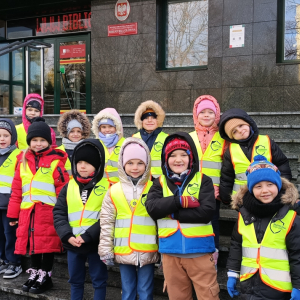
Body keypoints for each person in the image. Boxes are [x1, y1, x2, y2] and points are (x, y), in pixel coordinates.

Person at [146, 132, 220, 300]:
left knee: (208, 296)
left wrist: (171, 212)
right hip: (171, 253)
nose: (178, 159)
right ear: (166, 159)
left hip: (200, 251)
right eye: (172, 155)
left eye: (183, 155)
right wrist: (179, 201)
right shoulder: (159, 182)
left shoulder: (204, 180)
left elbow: (206, 212)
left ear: (191, 157)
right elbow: (152, 208)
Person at [7, 118, 69, 294]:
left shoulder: (55, 162)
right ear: (29, 141)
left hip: (48, 213)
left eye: (42, 140)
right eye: (35, 140)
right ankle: (35, 273)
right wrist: (13, 214)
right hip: (28, 212)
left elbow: (63, 190)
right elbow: (17, 190)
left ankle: (46, 276)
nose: (38, 144)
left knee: (47, 245)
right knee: (33, 245)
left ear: (49, 142)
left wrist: (63, 213)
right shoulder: (23, 162)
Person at [226, 155, 300, 300]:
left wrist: (298, 285)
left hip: (277, 290)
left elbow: (297, 254)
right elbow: (236, 245)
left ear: (278, 185)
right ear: (251, 190)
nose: (265, 190)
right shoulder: (243, 214)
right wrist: (232, 273)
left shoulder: (291, 217)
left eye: (270, 184)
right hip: (248, 284)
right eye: (258, 186)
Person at [99, 137, 159, 300]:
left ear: (147, 165)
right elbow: (106, 222)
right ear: (123, 164)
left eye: (140, 163)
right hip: (123, 249)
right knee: (127, 291)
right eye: (130, 163)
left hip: (148, 250)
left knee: (146, 291)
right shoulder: (113, 191)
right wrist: (105, 249)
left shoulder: (154, 188)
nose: (135, 167)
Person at [53, 139, 109, 300]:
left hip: (95, 244)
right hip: (72, 243)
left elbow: (108, 217)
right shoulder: (68, 187)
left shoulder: (108, 187)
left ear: (97, 166)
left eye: (88, 163)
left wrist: (87, 236)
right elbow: (59, 213)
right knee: (75, 280)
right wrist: (67, 236)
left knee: (99, 280)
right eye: (79, 162)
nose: (82, 166)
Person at [219, 108, 292, 205]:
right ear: (231, 137)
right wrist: (226, 197)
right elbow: (227, 176)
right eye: (234, 131)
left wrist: (282, 187)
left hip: (268, 194)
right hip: (242, 198)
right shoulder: (231, 150)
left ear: (248, 123)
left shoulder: (266, 141)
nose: (240, 131)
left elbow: (282, 164)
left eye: (241, 126)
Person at [189, 95, 226, 267]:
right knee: (195, 221)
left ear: (216, 114)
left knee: (213, 223)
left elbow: (226, 166)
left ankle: (213, 255)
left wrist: (221, 187)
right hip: (193, 190)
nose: (206, 115)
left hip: (214, 191)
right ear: (196, 115)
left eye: (210, 112)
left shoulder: (223, 138)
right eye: (202, 112)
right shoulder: (190, 137)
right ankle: (196, 254)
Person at [0, 119, 22, 278]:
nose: (2, 139)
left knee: (10, 234)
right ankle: (2, 260)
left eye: (6, 135)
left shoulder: (18, 155)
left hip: (9, 205)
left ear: (12, 137)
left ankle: (14, 262)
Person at [132, 100, 168, 179]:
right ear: (141, 121)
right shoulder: (134, 138)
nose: (149, 120)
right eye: (146, 118)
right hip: (140, 179)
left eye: (153, 118)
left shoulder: (166, 138)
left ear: (158, 120)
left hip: (161, 180)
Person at [92, 108, 125, 184]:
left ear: (117, 127)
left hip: (119, 185)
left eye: (110, 126)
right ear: (99, 129)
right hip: (101, 185)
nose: (107, 130)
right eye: (103, 127)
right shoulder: (96, 144)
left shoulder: (124, 143)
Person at [57, 109, 91, 177]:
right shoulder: (58, 151)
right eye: (72, 131)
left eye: (78, 131)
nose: (75, 134)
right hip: (64, 186)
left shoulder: (88, 149)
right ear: (66, 132)